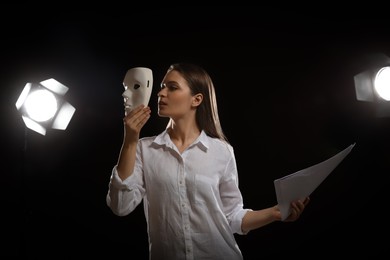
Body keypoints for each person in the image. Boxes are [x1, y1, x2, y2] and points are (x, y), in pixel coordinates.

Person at [106, 62, 310, 260]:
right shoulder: (144, 149)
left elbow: (232, 217)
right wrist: (130, 140)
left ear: (196, 99)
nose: (161, 93)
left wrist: (275, 213)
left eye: (172, 87)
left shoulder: (222, 151)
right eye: (161, 87)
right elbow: (120, 205)